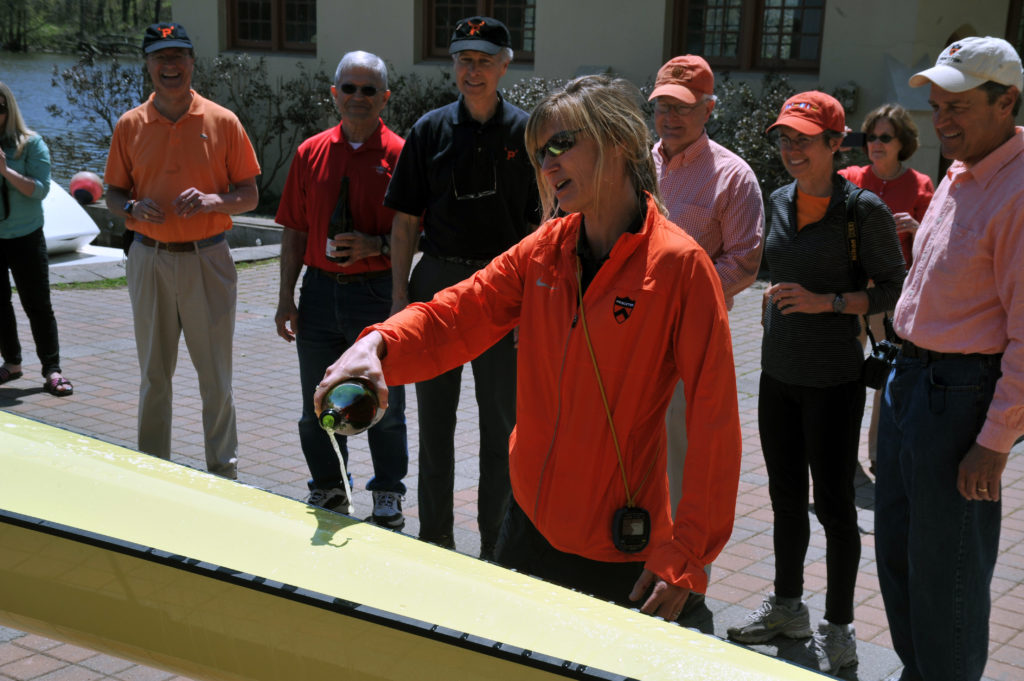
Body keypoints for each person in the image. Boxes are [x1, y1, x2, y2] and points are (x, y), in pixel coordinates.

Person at [314, 74, 741, 624]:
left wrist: (687, 558)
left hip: (619, 549)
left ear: (621, 144)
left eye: (562, 144)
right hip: (527, 525)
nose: (547, 165)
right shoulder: (548, 248)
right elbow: (457, 313)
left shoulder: (681, 268)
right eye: (540, 153)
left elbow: (714, 425)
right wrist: (378, 345)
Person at [726, 91, 905, 673]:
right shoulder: (777, 199)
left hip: (832, 379)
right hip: (777, 374)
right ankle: (787, 607)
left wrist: (827, 302)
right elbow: (775, 273)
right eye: (785, 137)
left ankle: (839, 624)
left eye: (805, 138)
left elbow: (892, 289)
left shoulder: (862, 212)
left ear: (836, 144)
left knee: (833, 506)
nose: (791, 148)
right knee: (783, 500)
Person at [875, 37, 1024, 681]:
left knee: (949, 574)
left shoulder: (1018, 188)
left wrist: (994, 441)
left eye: (959, 106)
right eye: (938, 107)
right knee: (900, 559)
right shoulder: (965, 171)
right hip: (914, 383)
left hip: (961, 397)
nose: (944, 121)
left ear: (1007, 102)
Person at [383, 16, 540, 558]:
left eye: (483, 61)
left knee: (502, 428)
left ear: (504, 64)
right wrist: (402, 302)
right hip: (439, 283)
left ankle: (495, 544)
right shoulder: (429, 130)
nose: (472, 71)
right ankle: (435, 539)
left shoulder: (528, 133)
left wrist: (533, 307)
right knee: (435, 425)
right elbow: (404, 221)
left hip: (502, 288)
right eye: (463, 60)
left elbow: (543, 227)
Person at [104, 22, 260, 479]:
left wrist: (216, 200)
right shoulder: (130, 124)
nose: (170, 66)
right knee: (154, 376)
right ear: (148, 65)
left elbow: (249, 194)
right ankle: (153, 471)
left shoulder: (222, 121)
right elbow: (113, 195)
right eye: (160, 57)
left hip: (207, 259)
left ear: (192, 62)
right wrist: (131, 206)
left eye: (178, 57)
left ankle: (224, 472)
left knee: (216, 378)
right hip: (148, 259)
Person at [274, 51, 409, 527]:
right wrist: (284, 297)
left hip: (375, 294)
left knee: (383, 405)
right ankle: (329, 487)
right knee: (318, 402)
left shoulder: (400, 155)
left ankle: (388, 493)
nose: (357, 97)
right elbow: (292, 229)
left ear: (384, 98)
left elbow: (416, 234)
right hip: (317, 294)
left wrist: (375, 246)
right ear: (334, 94)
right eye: (348, 88)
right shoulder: (311, 152)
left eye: (368, 90)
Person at [648, 55, 763, 524]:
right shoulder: (636, 162)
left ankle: (677, 570)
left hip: (687, 335)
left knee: (680, 453)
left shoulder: (733, 177)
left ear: (709, 110)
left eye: (682, 107)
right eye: (662, 106)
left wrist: (681, 299)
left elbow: (744, 262)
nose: (670, 118)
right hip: (625, 324)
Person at [839, 104, 934, 474]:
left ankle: (879, 454)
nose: (876, 144)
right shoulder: (850, 176)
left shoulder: (920, 185)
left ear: (902, 143)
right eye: (871, 136)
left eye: (885, 137)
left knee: (883, 377)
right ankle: (841, 452)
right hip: (847, 294)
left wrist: (917, 228)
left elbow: (938, 247)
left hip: (890, 298)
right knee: (844, 374)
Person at [0, 82, 73, 397]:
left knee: (38, 305)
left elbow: (40, 189)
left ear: (9, 109)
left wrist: (5, 171)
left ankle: (52, 370)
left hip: (27, 237)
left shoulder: (30, 144)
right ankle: (12, 363)